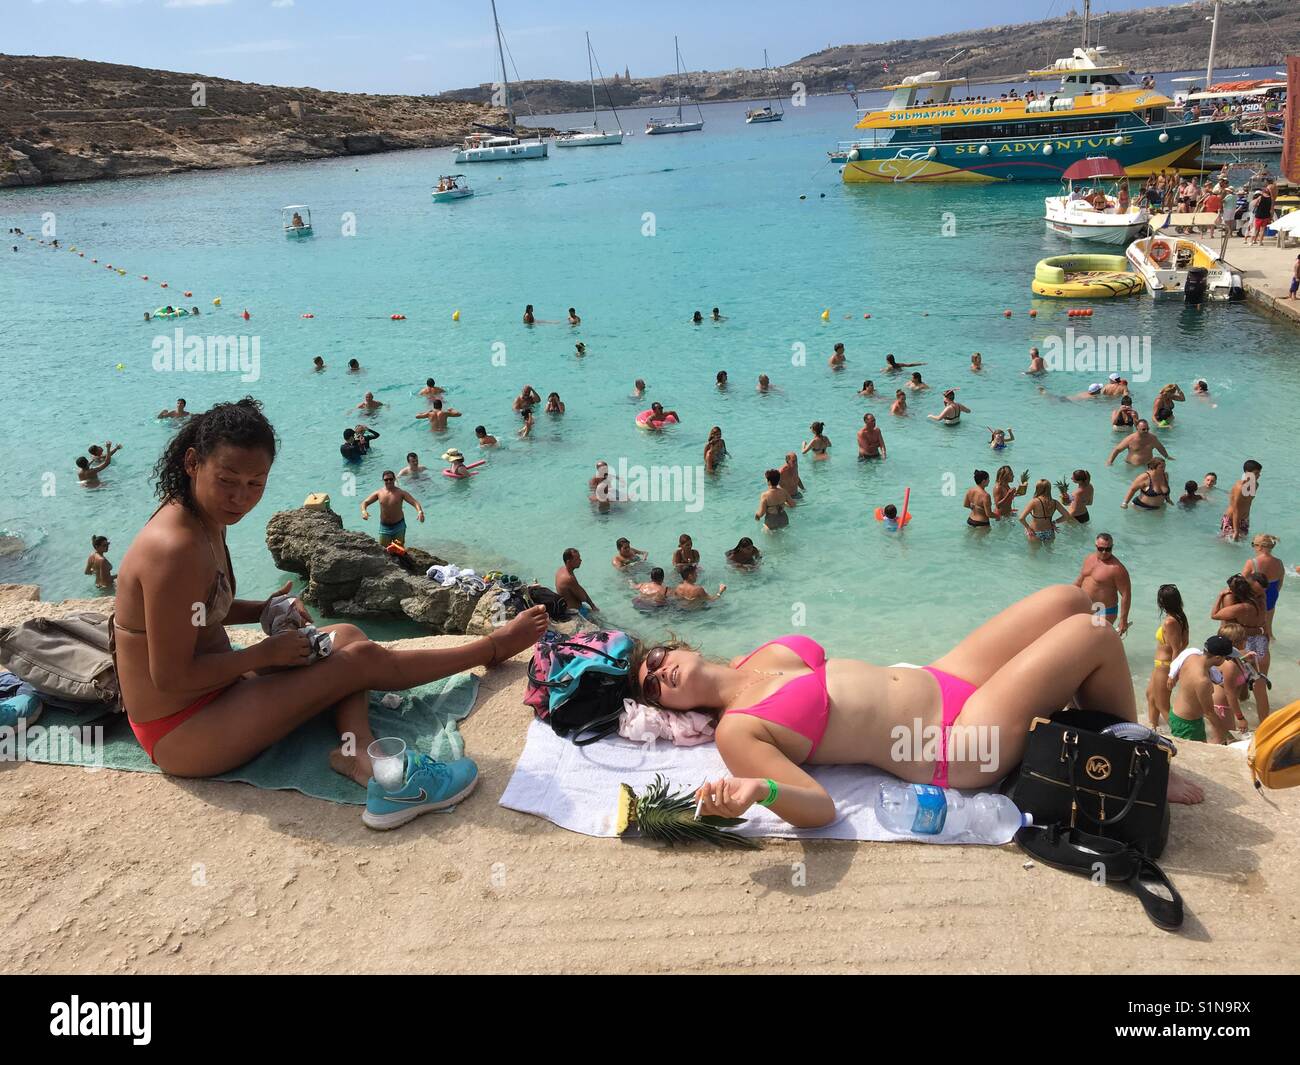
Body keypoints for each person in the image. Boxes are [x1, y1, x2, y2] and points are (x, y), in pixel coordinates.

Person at [109, 397, 549, 798]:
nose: (240, 497)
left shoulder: (205, 515)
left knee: (345, 635)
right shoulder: (174, 549)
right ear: (192, 462)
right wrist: (262, 654)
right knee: (359, 662)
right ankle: (492, 647)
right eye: (227, 480)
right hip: (181, 731)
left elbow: (196, 613)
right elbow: (169, 677)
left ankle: (358, 753)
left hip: (215, 692)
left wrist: (263, 610)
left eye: (255, 483)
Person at [631, 585, 1202, 831]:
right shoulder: (738, 732)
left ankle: (1079, 734)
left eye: (656, 659)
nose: (661, 672)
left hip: (945, 676)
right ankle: (1137, 762)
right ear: (669, 707)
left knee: (1072, 599)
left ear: (679, 643)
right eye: (653, 686)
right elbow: (819, 807)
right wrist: (763, 792)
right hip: (951, 743)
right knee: (1095, 633)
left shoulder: (754, 656)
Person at [1167, 635, 1235, 744]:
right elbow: (1209, 713)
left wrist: (1171, 676)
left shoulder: (1191, 656)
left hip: (1177, 714)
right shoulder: (1202, 681)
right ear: (1218, 658)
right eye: (1226, 658)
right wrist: (1228, 735)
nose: (1227, 660)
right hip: (1188, 724)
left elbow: (1177, 660)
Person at [1146, 584, 1188, 728]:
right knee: (1150, 696)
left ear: (1162, 603)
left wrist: (1172, 674)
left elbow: (1176, 648)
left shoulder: (1170, 622)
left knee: (1162, 705)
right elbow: (1185, 642)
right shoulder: (1180, 617)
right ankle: (1153, 728)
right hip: (1161, 665)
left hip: (1165, 667)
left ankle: (1179, 732)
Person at [1211, 573, 1269, 675]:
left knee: (1232, 685)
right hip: (1255, 643)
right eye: (1255, 592)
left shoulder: (1245, 605)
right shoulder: (1258, 599)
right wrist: (1260, 630)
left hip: (1247, 644)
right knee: (1253, 684)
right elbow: (1235, 630)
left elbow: (1216, 616)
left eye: (1260, 592)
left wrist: (1220, 595)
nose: (1257, 595)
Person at [1074, 533, 1131, 632]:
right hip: (1085, 606)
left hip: (1104, 611)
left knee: (1093, 640)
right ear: (1096, 546)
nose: (1104, 552)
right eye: (1101, 549)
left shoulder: (1117, 569)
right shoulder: (1089, 558)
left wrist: (1123, 620)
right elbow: (1080, 580)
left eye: (1108, 549)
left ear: (1112, 547)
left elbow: (1126, 595)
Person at [361, 471, 425, 547]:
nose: (388, 481)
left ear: (394, 479)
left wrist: (420, 512)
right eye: (386, 480)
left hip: (399, 526)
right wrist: (364, 511)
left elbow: (414, 502)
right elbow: (365, 502)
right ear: (383, 480)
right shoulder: (379, 493)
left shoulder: (401, 493)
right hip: (384, 527)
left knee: (399, 549)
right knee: (383, 550)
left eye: (391, 479)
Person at [1243, 534, 1284, 641]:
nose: (1253, 547)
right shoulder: (1279, 562)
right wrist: (1272, 594)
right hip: (1272, 594)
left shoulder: (1252, 562)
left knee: (1252, 626)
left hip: (1256, 596)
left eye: (1253, 544)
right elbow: (1280, 583)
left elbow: (1241, 583)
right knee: (1268, 628)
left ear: (1260, 547)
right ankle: (1272, 646)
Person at [1019, 478, 1074, 544]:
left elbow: (1021, 518)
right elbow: (1067, 516)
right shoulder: (1055, 502)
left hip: (1035, 532)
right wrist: (1054, 522)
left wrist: (1028, 528)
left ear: (1038, 489)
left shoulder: (1034, 502)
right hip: (1049, 532)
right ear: (1049, 489)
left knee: (1033, 554)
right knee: (1049, 553)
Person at [1221, 459, 1262, 542]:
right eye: (1256, 473)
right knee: (1226, 544)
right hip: (1232, 519)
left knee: (1239, 545)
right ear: (1248, 473)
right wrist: (1236, 530)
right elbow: (1236, 510)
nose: (1259, 475)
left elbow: (1248, 503)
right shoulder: (1240, 488)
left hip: (1244, 520)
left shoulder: (1255, 485)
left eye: (1259, 473)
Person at [1107, 420, 1171, 466]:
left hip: (1147, 466)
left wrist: (1167, 457)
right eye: (1143, 429)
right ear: (1137, 428)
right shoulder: (1130, 439)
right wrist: (1110, 462)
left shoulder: (1152, 438)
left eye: (1147, 429)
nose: (1146, 431)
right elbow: (1117, 450)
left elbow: (1160, 448)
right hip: (1132, 466)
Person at [556, 547, 597, 615]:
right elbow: (583, 598)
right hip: (575, 613)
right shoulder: (569, 578)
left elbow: (578, 588)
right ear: (569, 562)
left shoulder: (561, 570)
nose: (580, 560)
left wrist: (592, 605)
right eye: (577, 559)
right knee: (601, 623)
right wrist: (592, 605)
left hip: (567, 608)